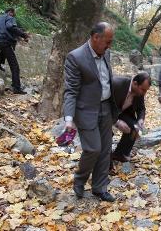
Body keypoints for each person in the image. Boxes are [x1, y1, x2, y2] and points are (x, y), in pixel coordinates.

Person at [63, 22, 117, 202]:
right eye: (107, 42)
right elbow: (70, 90)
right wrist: (69, 119)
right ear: (96, 38)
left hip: (106, 108)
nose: (110, 46)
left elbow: (107, 80)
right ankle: (79, 180)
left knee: (105, 150)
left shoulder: (106, 52)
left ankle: (99, 188)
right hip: (86, 111)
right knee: (93, 149)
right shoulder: (75, 57)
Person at [0, 8, 29, 94]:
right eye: (14, 14)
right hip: (2, 40)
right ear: (10, 12)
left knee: (5, 49)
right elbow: (10, 27)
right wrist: (24, 35)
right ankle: (17, 88)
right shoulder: (9, 17)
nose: (14, 16)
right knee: (14, 66)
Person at [111, 72, 151, 163]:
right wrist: (116, 122)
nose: (144, 93)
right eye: (143, 90)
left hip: (123, 113)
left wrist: (140, 120)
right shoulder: (117, 84)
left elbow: (141, 109)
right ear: (135, 83)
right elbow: (105, 106)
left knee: (134, 128)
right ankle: (106, 164)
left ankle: (121, 154)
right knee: (107, 135)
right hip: (107, 113)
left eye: (146, 91)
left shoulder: (139, 92)